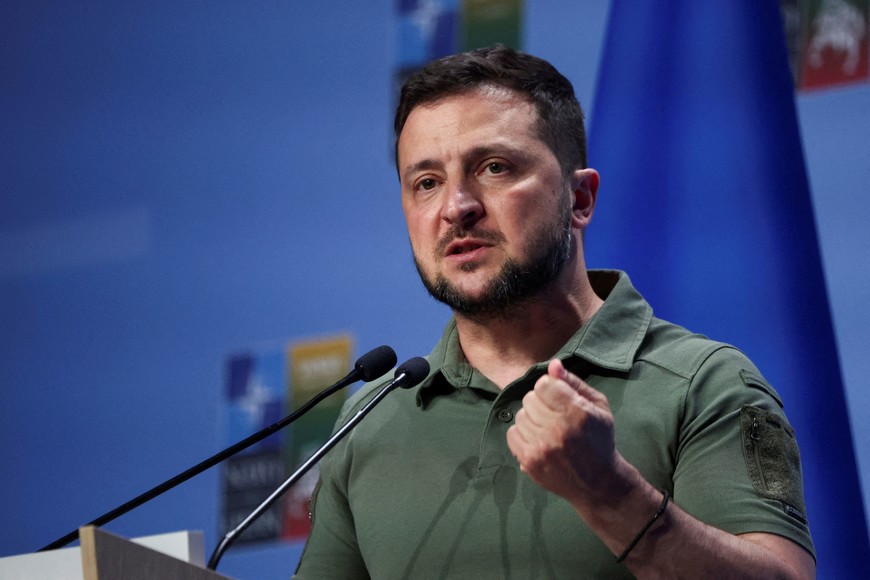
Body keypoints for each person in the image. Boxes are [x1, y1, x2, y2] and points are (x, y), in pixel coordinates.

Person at [293, 46, 815, 579]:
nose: (456, 207)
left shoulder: (704, 385)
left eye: (493, 168)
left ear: (580, 199)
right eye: (426, 182)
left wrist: (609, 491)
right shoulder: (370, 420)